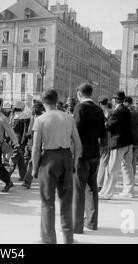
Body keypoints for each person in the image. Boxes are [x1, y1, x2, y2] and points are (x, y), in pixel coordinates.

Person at [31, 89, 81, 244]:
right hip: (66, 157)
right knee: (66, 201)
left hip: (49, 159)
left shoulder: (40, 119)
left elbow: (35, 148)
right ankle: (68, 238)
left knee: (47, 202)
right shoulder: (68, 118)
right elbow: (78, 145)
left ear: (43, 101)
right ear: (57, 99)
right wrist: (74, 162)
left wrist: (34, 168)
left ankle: (48, 239)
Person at [72, 83, 105, 234]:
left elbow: (76, 130)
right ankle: (92, 222)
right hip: (94, 153)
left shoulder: (80, 108)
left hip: (82, 154)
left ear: (79, 93)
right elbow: (102, 133)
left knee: (79, 189)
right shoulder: (98, 109)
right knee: (92, 188)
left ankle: (76, 225)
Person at [99, 91, 134, 199]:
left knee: (112, 169)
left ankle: (107, 192)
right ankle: (128, 191)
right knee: (127, 167)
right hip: (128, 143)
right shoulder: (127, 110)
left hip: (118, 143)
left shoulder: (117, 111)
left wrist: (104, 122)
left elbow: (108, 126)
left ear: (114, 100)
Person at [22, 100, 44, 189]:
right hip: (30, 144)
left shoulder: (43, 118)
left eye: (37, 107)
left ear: (41, 108)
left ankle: (27, 182)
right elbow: (29, 129)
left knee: (32, 163)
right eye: (34, 107)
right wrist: (27, 136)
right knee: (26, 161)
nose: (34, 109)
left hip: (38, 144)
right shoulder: (32, 117)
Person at [8, 100, 28, 181]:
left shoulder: (24, 116)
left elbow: (24, 131)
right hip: (14, 140)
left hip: (18, 141)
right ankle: (24, 176)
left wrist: (23, 142)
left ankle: (7, 175)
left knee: (14, 159)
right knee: (20, 160)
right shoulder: (13, 116)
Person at [97, 97, 112, 190]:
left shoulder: (95, 111)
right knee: (103, 162)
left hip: (96, 139)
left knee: (96, 161)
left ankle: (94, 181)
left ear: (99, 103)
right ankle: (99, 184)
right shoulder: (111, 112)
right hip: (106, 139)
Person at [124, 97, 138, 176]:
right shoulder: (137, 113)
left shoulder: (125, 112)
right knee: (133, 161)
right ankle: (132, 178)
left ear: (126, 102)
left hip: (127, 141)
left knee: (126, 162)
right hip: (135, 140)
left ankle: (128, 179)